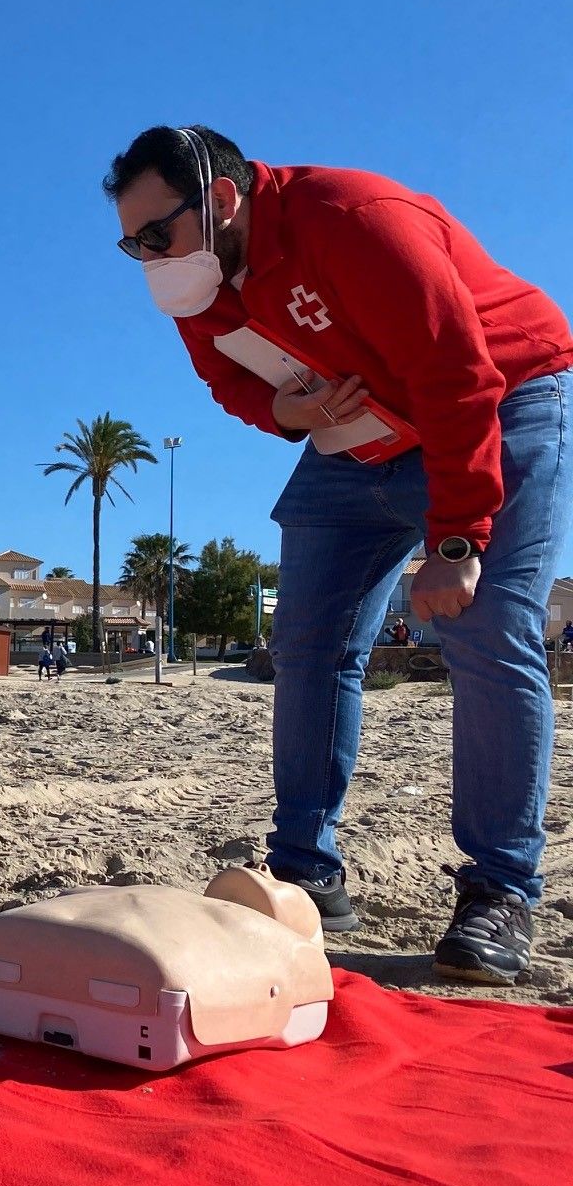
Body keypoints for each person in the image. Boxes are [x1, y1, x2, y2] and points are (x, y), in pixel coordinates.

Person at [107, 124, 573, 985]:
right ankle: (304, 872)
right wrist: (288, 414)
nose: (148, 258)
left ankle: (501, 890)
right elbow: (227, 382)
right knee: (307, 642)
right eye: (132, 243)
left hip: (500, 395)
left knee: (488, 631)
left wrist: (457, 540)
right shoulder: (197, 283)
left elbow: (457, 374)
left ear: (221, 199)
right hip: (356, 439)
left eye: (156, 234)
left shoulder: (354, 218)